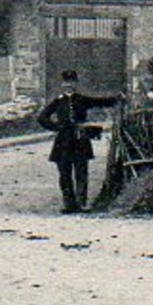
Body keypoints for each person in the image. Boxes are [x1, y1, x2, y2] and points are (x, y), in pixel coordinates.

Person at [36, 70, 119, 213]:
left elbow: (100, 102)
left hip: (80, 140)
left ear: (76, 83)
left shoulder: (81, 99)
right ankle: (69, 204)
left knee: (81, 172)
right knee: (65, 175)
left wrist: (116, 98)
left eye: (72, 82)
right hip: (63, 142)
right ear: (63, 84)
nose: (69, 85)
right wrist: (57, 127)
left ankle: (82, 203)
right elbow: (42, 117)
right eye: (66, 82)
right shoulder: (58, 101)